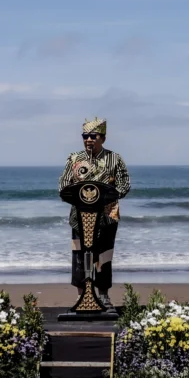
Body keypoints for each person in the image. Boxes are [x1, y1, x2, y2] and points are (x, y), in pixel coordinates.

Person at [58, 117, 131, 308]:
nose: (89, 140)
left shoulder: (115, 159)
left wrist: (106, 195)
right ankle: (81, 296)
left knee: (104, 256)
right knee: (79, 255)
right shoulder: (74, 158)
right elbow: (63, 185)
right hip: (79, 217)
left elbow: (124, 185)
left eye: (93, 136)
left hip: (107, 216)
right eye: (85, 136)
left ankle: (103, 295)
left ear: (103, 138)